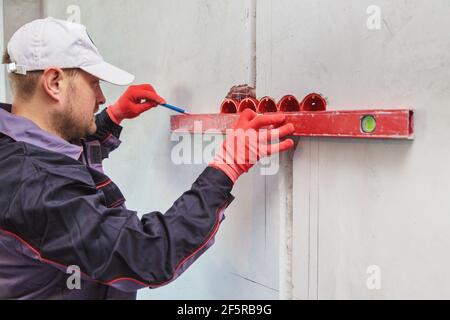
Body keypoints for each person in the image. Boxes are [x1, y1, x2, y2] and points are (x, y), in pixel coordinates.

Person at [0, 17, 295, 300]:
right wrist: (227, 166)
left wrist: (113, 117)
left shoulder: (15, 145)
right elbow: (147, 253)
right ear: (54, 82)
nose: (101, 97)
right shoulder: (35, 185)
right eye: (93, 83)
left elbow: (60, 156)